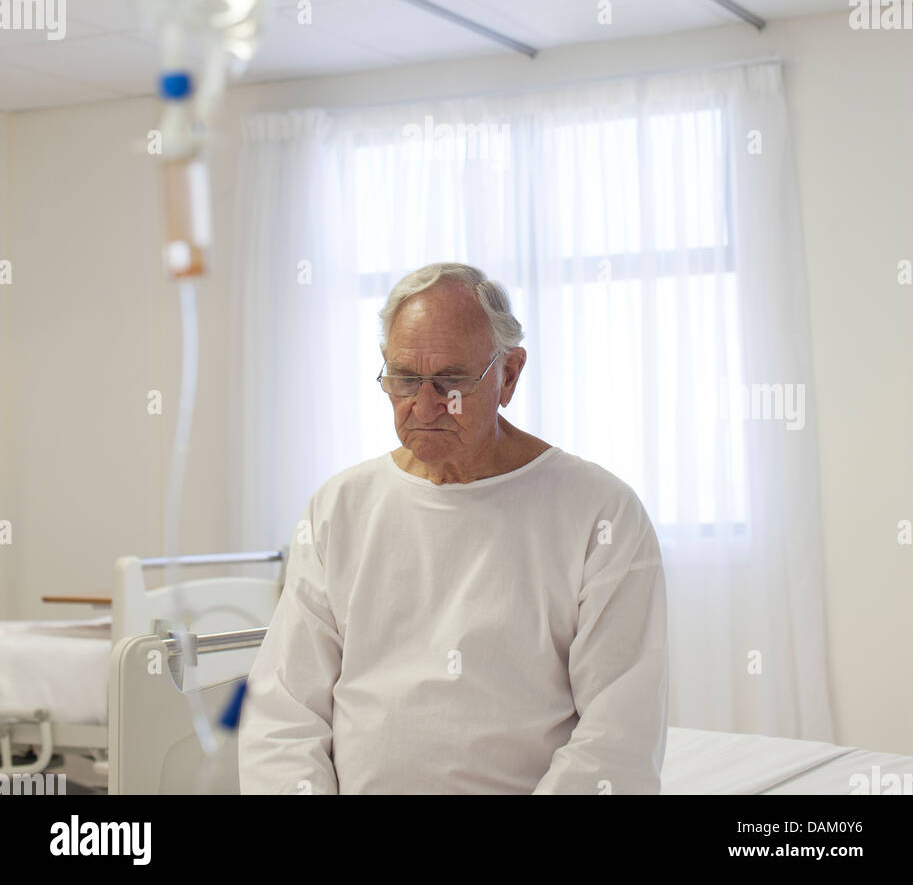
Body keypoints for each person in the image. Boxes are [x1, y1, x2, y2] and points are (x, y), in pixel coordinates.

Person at [238, 262, 668, 794]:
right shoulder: (340, 508)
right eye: (404, 378)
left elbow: (617, 732)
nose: (423, 405)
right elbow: (284, 711)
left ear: (509, 375)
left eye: (450, 380)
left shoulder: (601, 512)